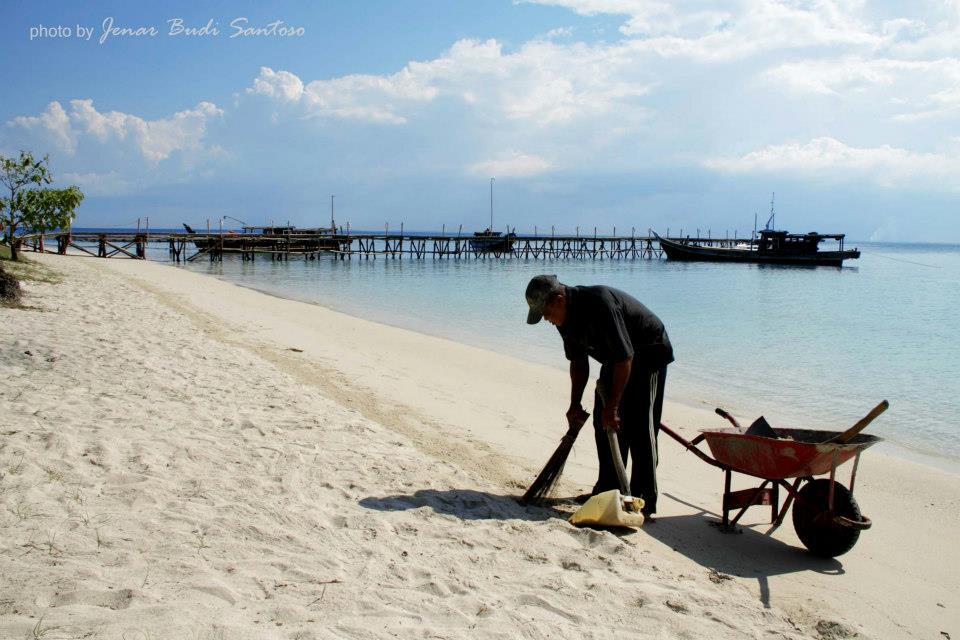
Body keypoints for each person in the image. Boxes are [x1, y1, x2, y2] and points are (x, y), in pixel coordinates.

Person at [524, 274, 673, 517]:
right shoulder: (564, 321)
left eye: (546, 313)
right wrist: (574, 404)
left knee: (638, 427)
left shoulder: (599, 303)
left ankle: (643, 497)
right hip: (614, 357)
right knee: (600, 422)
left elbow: (626, 359)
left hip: (647, 353)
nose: (547, 320)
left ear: (559, 300)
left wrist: (613, 407)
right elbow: (579, 363)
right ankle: (607, 489)